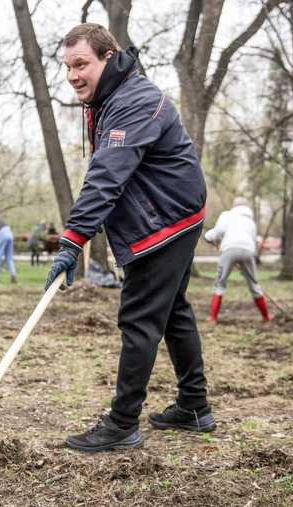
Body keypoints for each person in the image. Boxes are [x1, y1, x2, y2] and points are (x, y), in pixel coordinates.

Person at [44, 24, 214, 452]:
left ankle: (122, 424)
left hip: (165, 221)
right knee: (172, 310)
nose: (72, 75)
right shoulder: (113, 99)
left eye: (81, 64)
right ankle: (194, 406)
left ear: (108, 56)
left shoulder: (134, 101)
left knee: (139, 317)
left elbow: (106, 176)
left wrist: (72, 240)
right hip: (171, 215)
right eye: (67, 67)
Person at [204, 197, 270, 323]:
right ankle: (266, 316)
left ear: (234, 206)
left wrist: (208, 237)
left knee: (220, 283)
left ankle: (212, 317)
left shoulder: (227, 215)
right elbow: (254, 240)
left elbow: (217, 232)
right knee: (254, 284)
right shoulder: (251, 221)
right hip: (248, 251)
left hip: (229, 249)